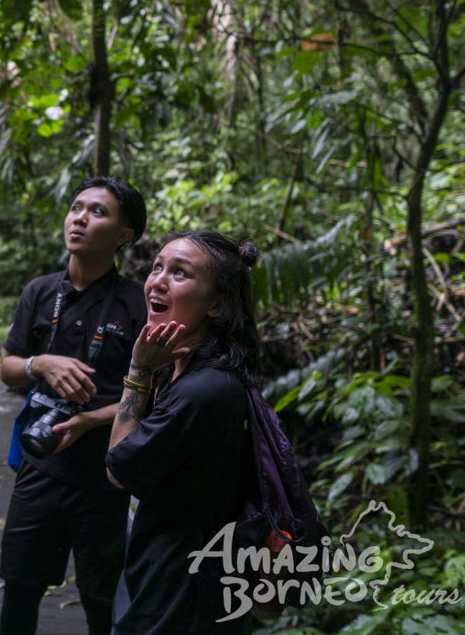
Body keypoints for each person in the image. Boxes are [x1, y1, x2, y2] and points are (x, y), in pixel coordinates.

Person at [0, 176, 148, 635]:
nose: (79, 218)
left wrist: (91, 420)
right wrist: (41, 363)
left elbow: (156, 392)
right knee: (20, 585)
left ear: (124, 236)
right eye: (76, 207)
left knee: (101, 596)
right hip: (40, 466)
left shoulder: (138, 302)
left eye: (97, 212)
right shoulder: (41, 292)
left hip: (105, 473)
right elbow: (8, 368)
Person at [106, 231, 262, 634]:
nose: (157, 280)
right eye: (157, 266)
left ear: (217, 303)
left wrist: (138, 372)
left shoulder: (204, 390)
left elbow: (118, 468)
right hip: (165, 576)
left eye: (180, 273)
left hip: (182, 595)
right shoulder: (190, 372)